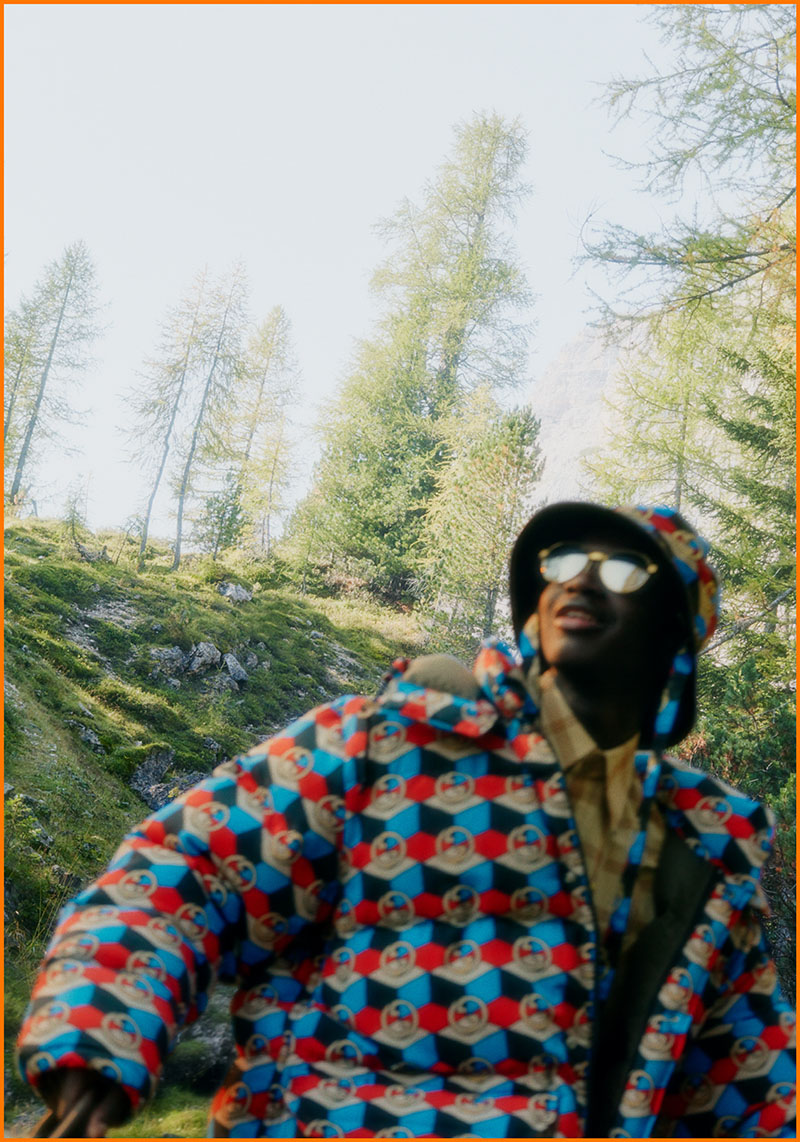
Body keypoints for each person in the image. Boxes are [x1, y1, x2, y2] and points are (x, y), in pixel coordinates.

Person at [18, 502, 796, 1138]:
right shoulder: (387, 741)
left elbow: (750, 1093)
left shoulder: (705, 857)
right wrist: (100, 1031)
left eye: (624, 570)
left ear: (676, 635)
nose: (581, 581)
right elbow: (182, 873)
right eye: (563, 561)